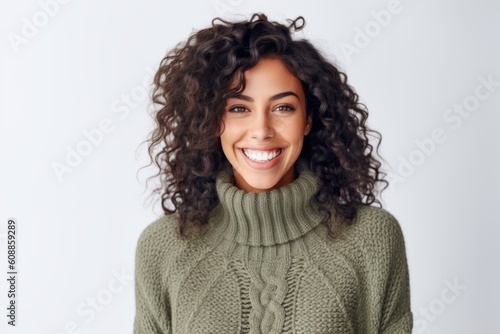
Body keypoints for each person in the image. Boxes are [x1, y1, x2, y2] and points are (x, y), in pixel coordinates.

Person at [134, 13, 413, 333]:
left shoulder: (371, 240)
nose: (261, 130)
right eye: (239, 108)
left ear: (308, 119)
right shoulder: (164, 248)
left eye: (283, 107)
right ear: (212, 121)